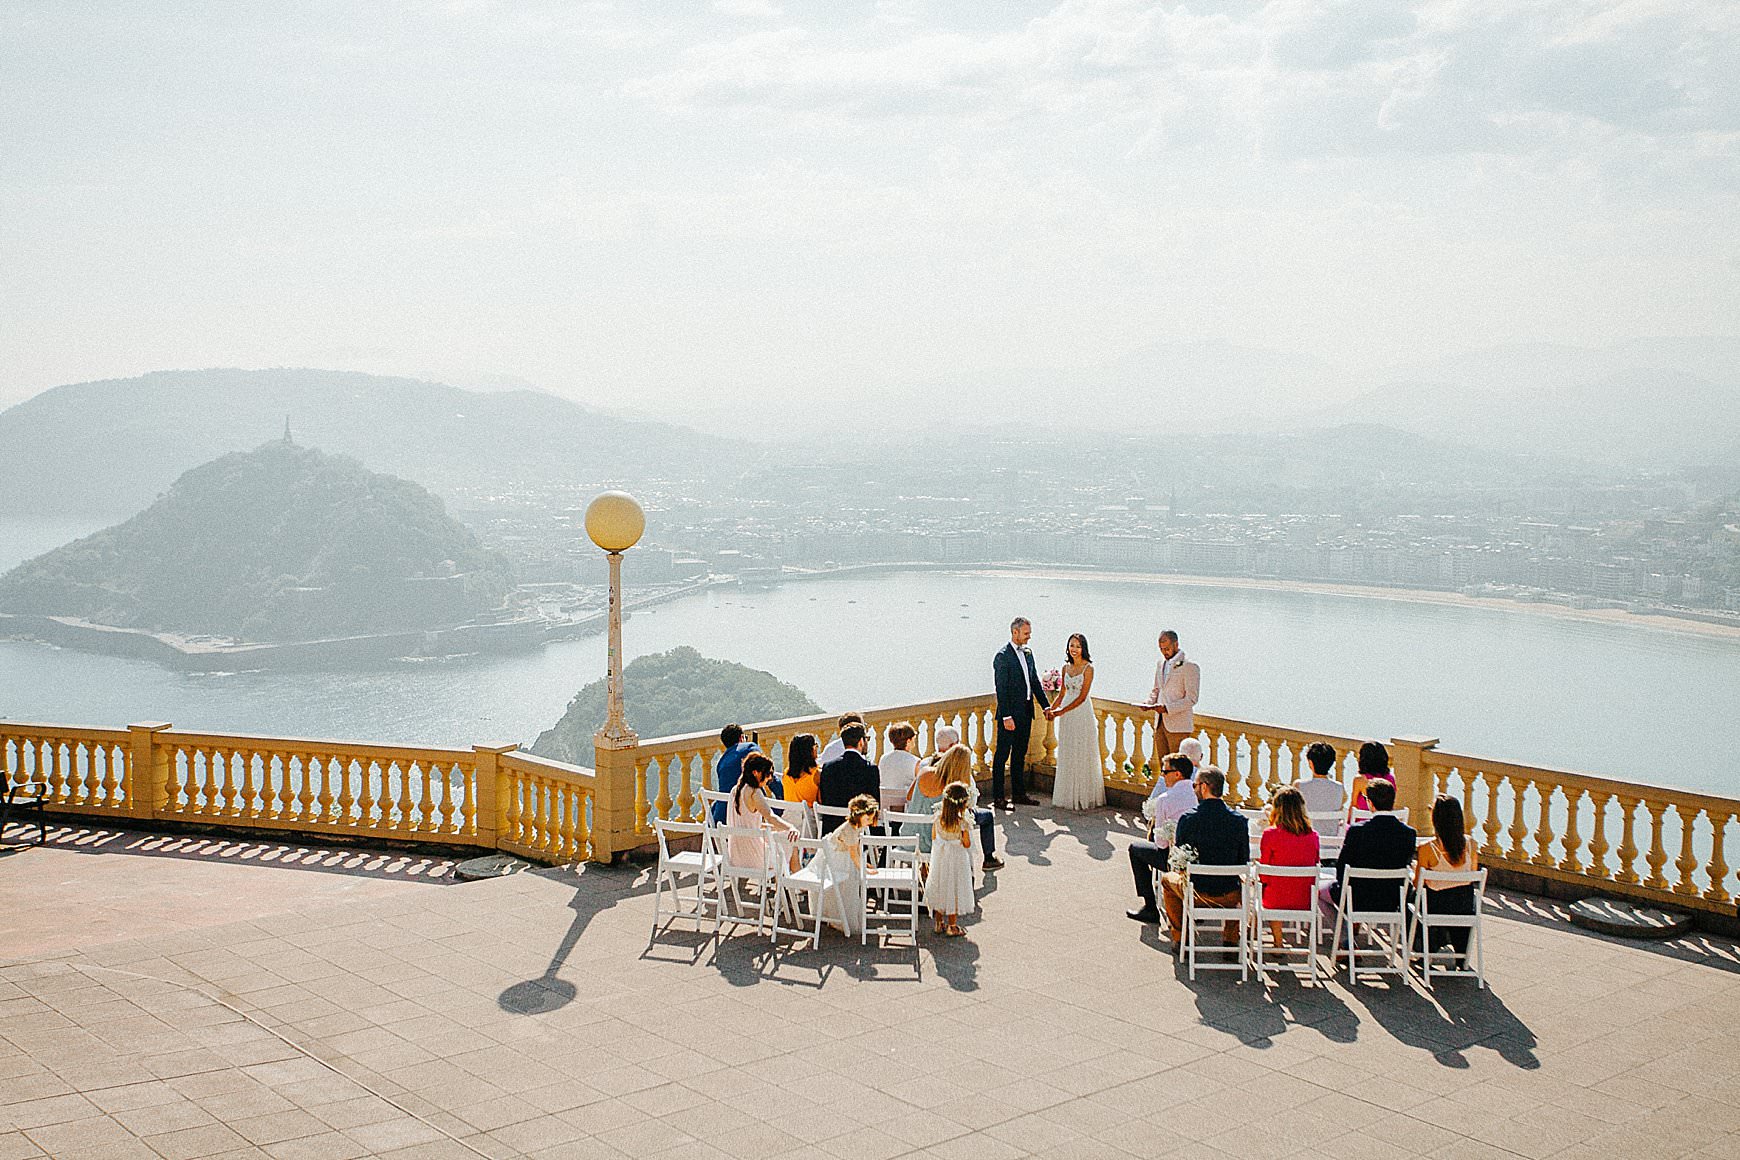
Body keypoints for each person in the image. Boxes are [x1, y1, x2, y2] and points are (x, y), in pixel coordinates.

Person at [1158, 767, 1249, 945]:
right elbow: (1243, 860)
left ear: (1205, 787)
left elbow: (1179, 858)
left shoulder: (1188, 819)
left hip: (1196, 893)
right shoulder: (1239, 821)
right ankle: (1230, 938)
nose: (1194, 789)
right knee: (1240, 883)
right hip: (1229, 895)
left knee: (1167, 880)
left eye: (1195, 785)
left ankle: (1180, 938)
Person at [1320, 778, 1416, 921]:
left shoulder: (1357, 831)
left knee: (1317, 890)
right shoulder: (1409, 834)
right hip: (1391, 901)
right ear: (1392, 802)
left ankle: (1345, 935)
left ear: (1370, 803)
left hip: (1356, 900)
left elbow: (1342, 867)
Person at [911, 737, 1002, 872]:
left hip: (914, 831)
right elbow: (968, 806)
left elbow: (909, 796)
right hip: (941, 829)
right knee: (987, 816)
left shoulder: (924, 771)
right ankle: (989, 858)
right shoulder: (956, 784)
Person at [1126, 752, 1196, 923]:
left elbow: (1161, 843)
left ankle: (1150, 906)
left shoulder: (1165, 799)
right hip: (1198, 858)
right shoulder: (1198, 795)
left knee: (1135, 850)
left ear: (1177, 774)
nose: (1162, 776)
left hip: (1173, 857)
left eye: (1165, 772)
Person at [1413, 794, 1481, 964]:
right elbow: (1471, 875)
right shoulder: (1471, 844)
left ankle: (1424, 947)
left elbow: (1418, 884)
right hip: (1463, 907)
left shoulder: (1427, 848)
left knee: (1409, 899)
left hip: (1435, 907)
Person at [992, 617, 1050, 809]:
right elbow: (1001, 689)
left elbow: (1034, 681)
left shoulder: (1028, 653)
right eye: (1026, 633)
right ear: (1014, 632)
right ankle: (999, 797)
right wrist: (1007, 716)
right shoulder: (1002, 656)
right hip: (1009, 716)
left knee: (1020, 754)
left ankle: (1019, 794)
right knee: (1002, 755)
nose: (1029, 637)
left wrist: (1045, 705)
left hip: (1026, 712)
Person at [1045, 633, 1104, 810]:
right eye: (1072, 645)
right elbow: (1062, 693)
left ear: (1083, 648)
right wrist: (1051, 709)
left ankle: (1083, 795)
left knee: (1082, 749)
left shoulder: (1088, 669)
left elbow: (1082, 697)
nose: (1074, 649)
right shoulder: (1065, 668)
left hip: (1081, 712)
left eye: (1078, 646)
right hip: (1067, 715)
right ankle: (1067, 794)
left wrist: (1061, 711)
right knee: (1068, 750)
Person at [1256, 785, 1320, 947]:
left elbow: (1264, 874)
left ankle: (1278, 942)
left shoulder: (1270, 834)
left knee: (1270, 889)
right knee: (1277, 887)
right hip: (1305, 899)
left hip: (1275, 899)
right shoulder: (1313, 836)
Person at [814, 794, 879, 937]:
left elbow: (856, 850)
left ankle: (838, 918)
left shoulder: (855, 827)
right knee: (845, 888)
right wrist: (863, 870)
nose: (869, 822)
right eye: (867, 819)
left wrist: (865, 864)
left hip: (841, 856)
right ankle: (838, 919)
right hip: (836, 859)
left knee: (847, 888)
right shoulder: (849, 830)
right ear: (858, 815)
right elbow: (853, 854)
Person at [726, 753, 801, 871]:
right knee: (791, 839)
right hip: (754, 856)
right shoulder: (754, 793)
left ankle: (783, 885)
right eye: (768, 774)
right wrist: (791, 827)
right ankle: (795, 884)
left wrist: (779, 828)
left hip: (736, 855)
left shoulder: (735, 790)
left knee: (782, 835)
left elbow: (748, 824)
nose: (770, 778)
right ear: (755, 772)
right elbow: (770, 816)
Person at [924, 783, 976, 936]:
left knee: (941, 888)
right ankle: (952, 926)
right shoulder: (962, 823)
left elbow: (934, 837)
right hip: (956, 860)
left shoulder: (938, 819)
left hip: (940, 859)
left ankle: (939, 923)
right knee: (954, 890)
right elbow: (967, 843)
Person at [1143, 630, 1199, 764]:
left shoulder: (1189, 666)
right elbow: (1156, 689)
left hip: (1178, 725)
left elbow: (1192, 698)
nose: (1164, 652)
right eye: (1161, 649)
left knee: (1178, 768)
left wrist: (1167, 708)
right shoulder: (1160, 663)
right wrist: (1148, 703)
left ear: (1176, 644)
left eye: (1167, 648)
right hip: (1160, 723)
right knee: (1164, 767)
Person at [818, 722, 879, 831]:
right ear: (861, 741)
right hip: (860, 833)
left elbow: (824, 799)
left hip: (832, 832)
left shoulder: (828, 767)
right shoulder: (870, 769)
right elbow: (874, 807)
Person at [712, 724, 759, 824]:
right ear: (741, 738)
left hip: (722, 819)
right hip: (742, 818)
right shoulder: (750, 748)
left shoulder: (721, 762)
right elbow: (766, 772)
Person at [878, 721, 921, 818]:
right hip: (906, 814)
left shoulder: (883, 759)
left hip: (886, 814)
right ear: (908, 741)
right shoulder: (915, 762)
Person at [1295, 741, 1347, 817]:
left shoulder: (1299, 786)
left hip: (1307, 828)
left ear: (1310, 763)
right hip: (1332, 829)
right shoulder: (1339, 788)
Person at [1348, 740, 1395, 817]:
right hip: (1384, 823)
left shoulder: (1360, 780)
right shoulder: (1390, 779)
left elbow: (1353, 805)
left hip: (1362, 823)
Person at [783, 733, 821, 807]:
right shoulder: (816, 775)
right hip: (809, 817)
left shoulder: (786, 774)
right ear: (811, 750)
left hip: (789, 816)